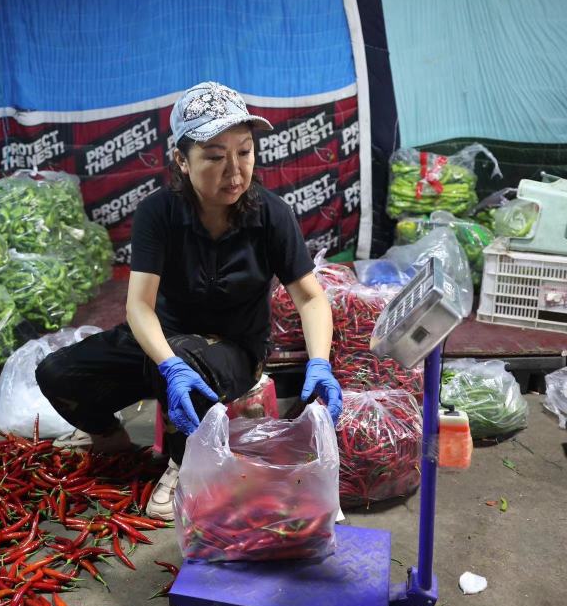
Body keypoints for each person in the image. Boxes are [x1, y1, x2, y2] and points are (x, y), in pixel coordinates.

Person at [36, 81, 342, 521]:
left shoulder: (270, 214)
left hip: (234, 351)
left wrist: (319, 363)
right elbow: (139, 307)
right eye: (215, 157)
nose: (235, 171)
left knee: (183, 356)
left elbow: (311, 299)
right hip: (165, 341)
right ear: (182, 160)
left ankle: (184, 464)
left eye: (245, 152)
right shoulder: (158, 213)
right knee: (58, 371)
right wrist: (168, 363)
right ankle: (109, 436)